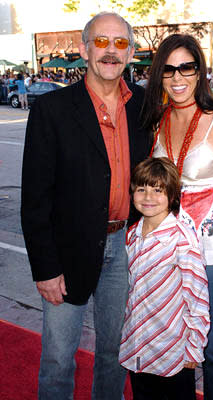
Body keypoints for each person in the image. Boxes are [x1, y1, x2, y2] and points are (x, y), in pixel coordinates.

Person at [21, 11, 151, 400]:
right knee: (59, 359)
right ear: (83, 49)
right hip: (67, 251)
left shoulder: (145, 105)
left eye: (120, 43)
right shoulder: (52, 110)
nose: (110, 51)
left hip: (126, 249)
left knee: (114, 354)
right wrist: (45, 268)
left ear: (130, 53)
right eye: (100, 41)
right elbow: (35, 198)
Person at [143, 34, 213, 400]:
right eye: (169, 69)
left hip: (210, 253)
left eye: (186, 67)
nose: (177, 77)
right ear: (160, 75)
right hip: (166, 251)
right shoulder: (157, 119)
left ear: (199, 71)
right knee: (172, 340)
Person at [119, 157, 210, 400]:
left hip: (171, 351)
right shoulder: (132, 235)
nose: (148, 197)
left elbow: (197, 299)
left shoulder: (182, 240)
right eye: (141, 189)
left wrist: (193, 350)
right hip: (138, 344)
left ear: (172, 196)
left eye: (157, 190)